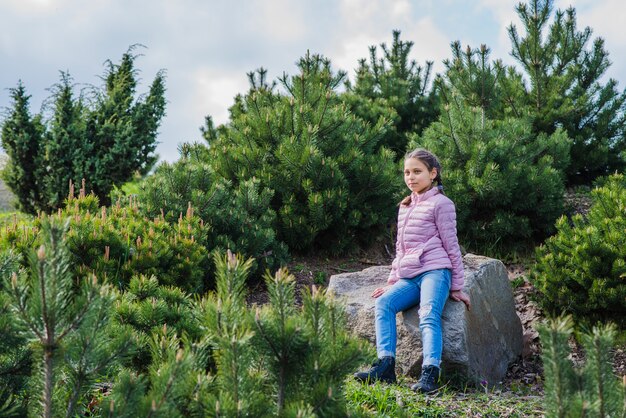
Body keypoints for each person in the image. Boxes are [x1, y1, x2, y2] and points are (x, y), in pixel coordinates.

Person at [354, 148, 471, 393]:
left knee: (427, 314)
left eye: (417, 172)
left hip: (435, 272)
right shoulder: (405, 205)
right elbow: (400, 247)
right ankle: (385, 367)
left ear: (433, 173)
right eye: (407, 172)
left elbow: (452, 245)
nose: (411, 177)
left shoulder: (442, 204)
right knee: (384, 303)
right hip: (410, 275)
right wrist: (393, 280)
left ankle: (430, 373)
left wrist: (457, 286)